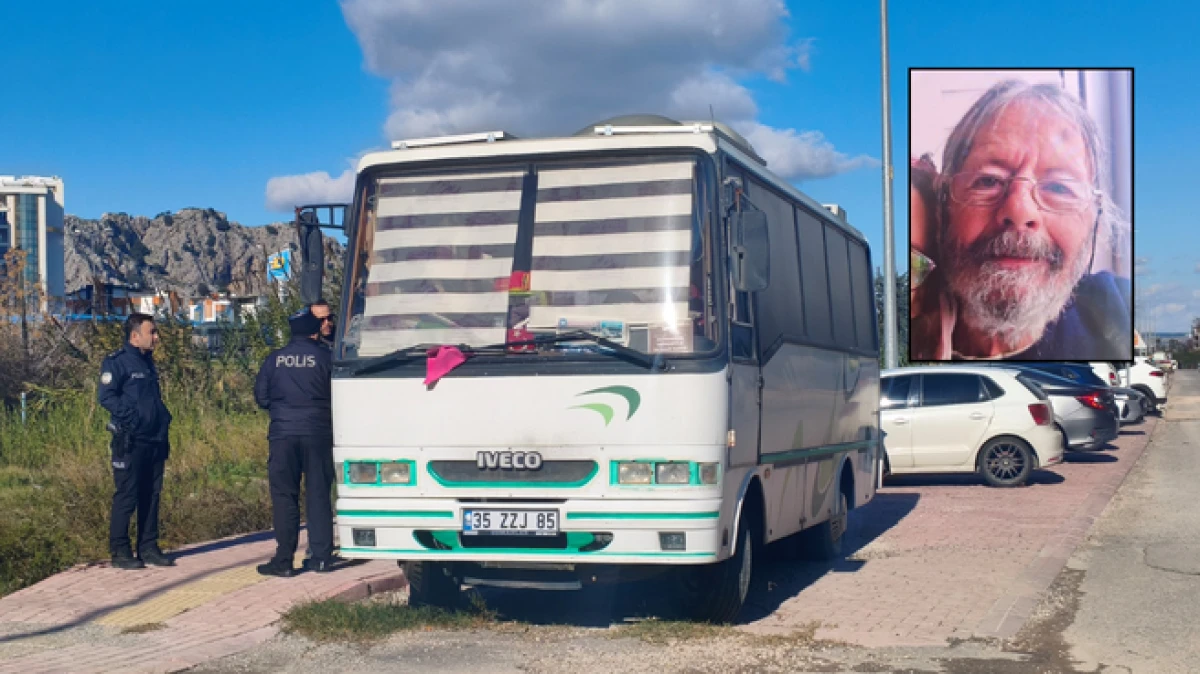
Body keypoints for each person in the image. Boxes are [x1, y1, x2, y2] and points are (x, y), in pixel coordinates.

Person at [910, 79, 1131, 361]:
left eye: (1059, 188)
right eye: (988, 181)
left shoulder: (1122, 311)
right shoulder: (912, 321)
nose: (1019, 211)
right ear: (944, 206)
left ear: (1093, 219)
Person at [254, 307, 337, 577]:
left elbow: (262, 397)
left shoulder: (274, 360)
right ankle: (322, 558)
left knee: (284, 496)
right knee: (318, 494)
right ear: (314, 331)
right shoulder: (327, 357)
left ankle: (284, 560)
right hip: (318, 433)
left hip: (283, 435)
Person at [98, 312, 175, 570]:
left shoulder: (147, 363)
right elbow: (106, 397)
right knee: (127, 495)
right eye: (151, 332)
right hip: (131, 440)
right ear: (135, 336)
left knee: (151, 495)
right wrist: (133, 418)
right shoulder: (117, 363)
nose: (156, 337)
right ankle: (120, 552)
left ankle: (148, 547)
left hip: (154, 439)